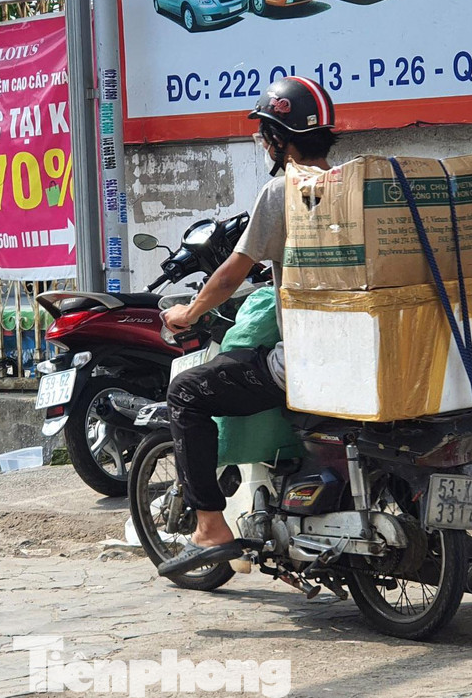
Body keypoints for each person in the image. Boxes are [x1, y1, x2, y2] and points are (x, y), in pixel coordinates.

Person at [157, 76, 337, 577]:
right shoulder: (351, 189)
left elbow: (232, 272)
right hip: (369, 352)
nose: (262, 144)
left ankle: (212, 525)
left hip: (303, 361)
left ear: (280, 138)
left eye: (264, 135)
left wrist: (187, 314)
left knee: (189, 393)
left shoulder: (283, 192)